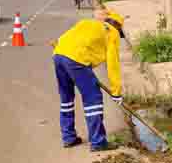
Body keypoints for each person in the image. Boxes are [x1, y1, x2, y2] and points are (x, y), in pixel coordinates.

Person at [52, 8, 125, 152]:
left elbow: (63, 39)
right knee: (93, 98)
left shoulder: (86, 23)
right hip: (77, 60)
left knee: (66, 98)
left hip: (59, 55)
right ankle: (98, 142)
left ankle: (69, 137)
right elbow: (113, 64)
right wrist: (116, 92)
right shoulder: (112, 33)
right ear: (118, 27)